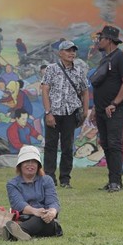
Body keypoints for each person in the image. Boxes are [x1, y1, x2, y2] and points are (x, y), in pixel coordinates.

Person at [90, 25, 123, 193]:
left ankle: (117, 181)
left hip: (115, 109)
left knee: (114, 143)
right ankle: (111, 180)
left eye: (101, 38)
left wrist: (114, 103)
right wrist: (95, 108)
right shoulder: (105, 59)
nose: (98, 41)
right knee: (106, 144)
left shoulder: (121, 58)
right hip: (101, 109)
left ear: (108, 40)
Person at [41, 40, 89, 188]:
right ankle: (49, 179)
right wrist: (48, 112)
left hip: (71, 113)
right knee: (51, 146)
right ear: (60, 53)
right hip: (54, 112)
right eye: (68, 50)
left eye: (73, 50)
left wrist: (85, 111)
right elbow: (45, 90)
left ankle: (65, 179)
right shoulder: (51, 69)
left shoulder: (79, 70)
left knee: (68, 147)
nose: (71, 53)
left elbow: (84, 91)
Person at [5, 145, 62, 241]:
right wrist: (35, 211)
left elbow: (53, 201)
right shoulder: (12, 184)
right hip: (25, 218)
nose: (30, 165)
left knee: (41, 219)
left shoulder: (47, 180)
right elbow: (18, 204)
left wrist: (52, 212)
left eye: (34, 162)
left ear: (38, 165)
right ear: (20, 165)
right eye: (27, 161)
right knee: (37, 218)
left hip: (46, 220)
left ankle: (15, 232)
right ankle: (19, 232)